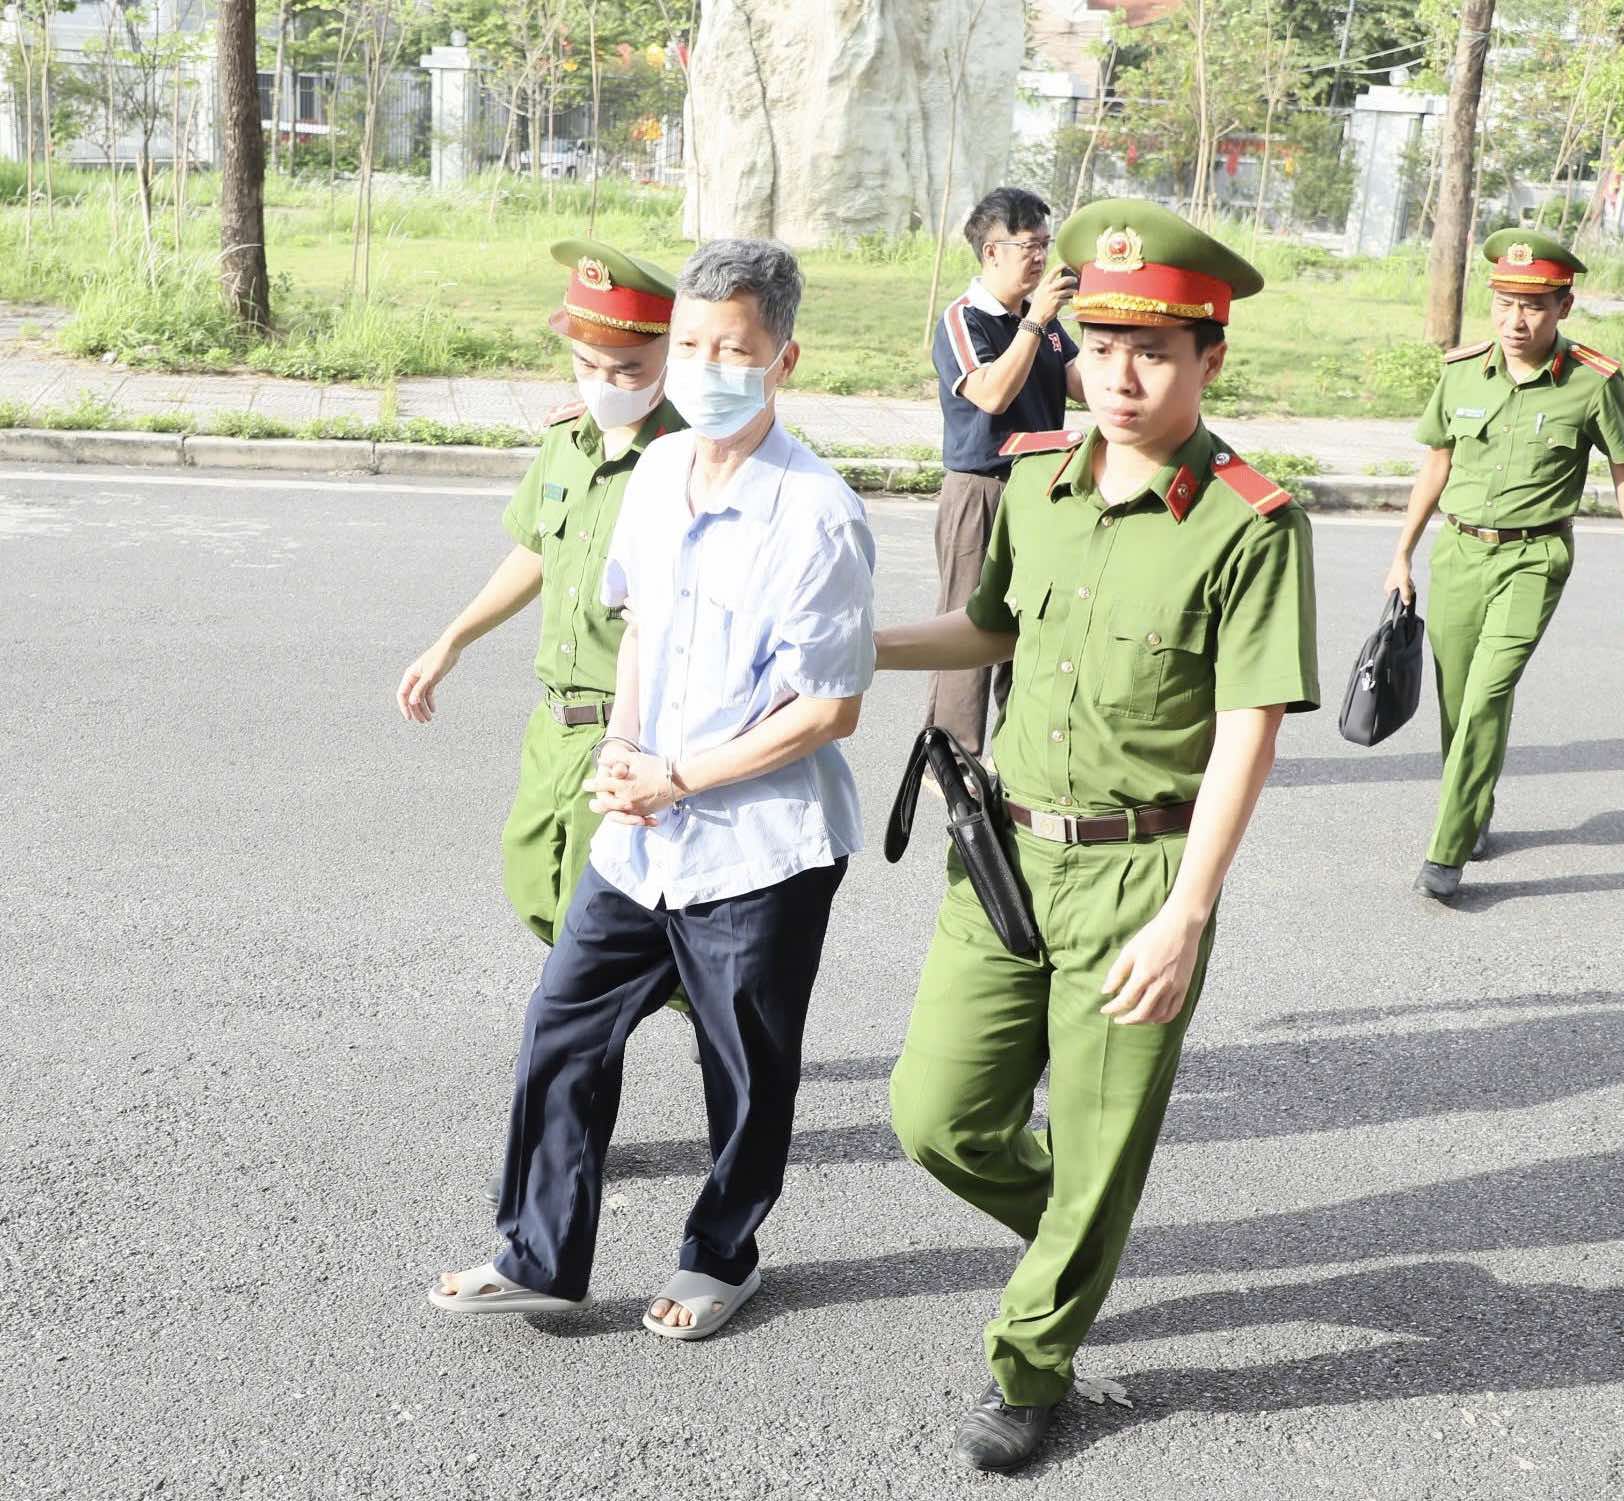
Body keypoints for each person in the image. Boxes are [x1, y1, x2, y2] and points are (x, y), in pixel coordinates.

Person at [876, 199, 1318, 1472]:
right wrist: (863, 644)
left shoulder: (1250, 519)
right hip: (1007, 856)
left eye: (1158, 350)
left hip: (1142, 873)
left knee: (1103, 1138)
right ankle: (1077, 1227)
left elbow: (1250, 726)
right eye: (1104, 342)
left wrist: (1187, 911)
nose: (1123, 374)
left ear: (1208, 360)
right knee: (935, 1114)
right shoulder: (1037, 479)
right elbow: (992, 627)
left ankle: (1033, 1361)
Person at [427, 238, 876, 1338]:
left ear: (783, 359)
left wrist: (677, 776)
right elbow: (637, 626)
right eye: (688, 344)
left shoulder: (818, 516)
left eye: (734, 348)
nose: (705, 365)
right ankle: (537, 1251)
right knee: (564, 1025)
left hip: (758, 847)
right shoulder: (661, 473)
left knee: (745, 1066)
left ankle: (723, 1254)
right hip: (643, 828)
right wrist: (625, 758)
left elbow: (826, 711)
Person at [396, 239, 691, 1203]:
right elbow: (532, 553)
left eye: (628, 370)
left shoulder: (691, 458)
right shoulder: (566, 442)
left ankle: (575, 1125)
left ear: (670, 357)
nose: (605, 385)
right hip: (551, 728)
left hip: (630, 735)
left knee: (579, 958)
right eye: (588, 367)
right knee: (537, 891)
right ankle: (688, 979)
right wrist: (450, 641)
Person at [1382, 227, 1624, 904]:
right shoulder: (1459, 372)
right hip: (1458, 550)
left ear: (1564, 306)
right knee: (1457, 699)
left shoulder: (1592, 383)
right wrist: (1402, 551)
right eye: (1504, 303)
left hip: (1536, 556)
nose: (1515, 320)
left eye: (1533, 305)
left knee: (1487, 694)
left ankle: (1446, 851)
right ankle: (1474, 806)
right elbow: (1437, 461)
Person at [925, 186, 1084, 756]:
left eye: (1047, 244)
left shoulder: (1038, 319)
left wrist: (1101, 324)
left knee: (1036, 624)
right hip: (982, 491)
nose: (1042, 258)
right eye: (1029, 246)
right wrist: (1036, 322)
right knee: (968, 624)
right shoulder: (964, 320)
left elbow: (1081, 383)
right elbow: (990, 394)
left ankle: (1021, 749)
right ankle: (953, 759)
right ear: (992, 251)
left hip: (1040, 491)